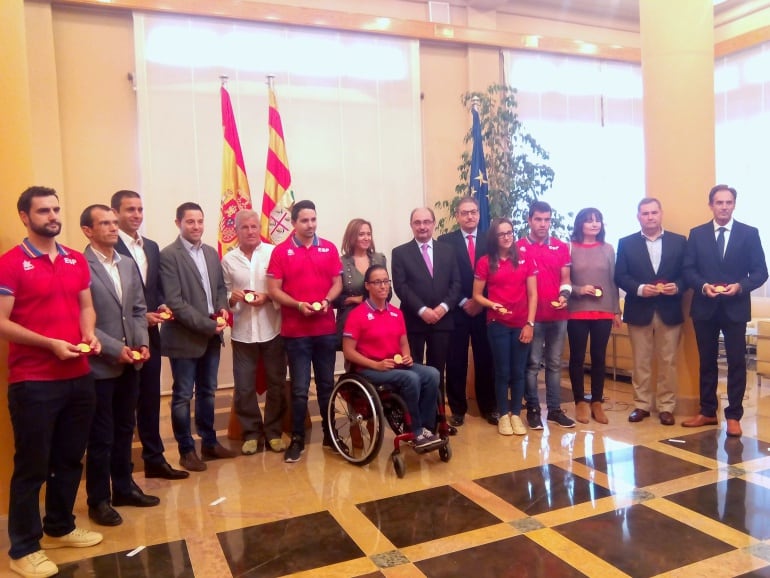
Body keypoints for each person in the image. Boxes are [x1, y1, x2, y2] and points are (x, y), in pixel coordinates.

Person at [0, 186, 102, 578]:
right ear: (25, 216)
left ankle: (59, 526)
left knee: (69, 458)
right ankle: (23, 548)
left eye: (56, 209)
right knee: (32, 466)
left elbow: (86, 306)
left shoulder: (76, 259)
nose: (52, 216)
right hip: (34, 380)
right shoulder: (10, 264)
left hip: (78, 376)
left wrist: (89, 334)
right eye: (43, 211)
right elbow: (3, 322)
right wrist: (50, 345)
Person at [81, 204, 159, 528]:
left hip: (131, 363)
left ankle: (124, 487)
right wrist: (117, 349)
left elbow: (139, 310)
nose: (114, 228)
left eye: (115, 222)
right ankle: (98, 499)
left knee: (126, 429)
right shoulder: (80, 267)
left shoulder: (127, 264)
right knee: (102, 436)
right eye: (105, 223)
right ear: (88, 230)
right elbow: (82, 320)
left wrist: (142, 343)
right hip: (101, 364)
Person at [112, 190, 188, 480]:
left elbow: (152, 289)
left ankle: (154, 459)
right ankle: (121, 472)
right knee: (123, 407)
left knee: (150, 399)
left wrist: (161, 306)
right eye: (130, 209)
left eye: (140, 209)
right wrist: (137, 317)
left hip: (151, 334)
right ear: (115, 213)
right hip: (120, 337)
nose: (136, 215)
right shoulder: (107, 245)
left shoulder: (152, 247)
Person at [682, 184, 768, 437]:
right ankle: (708, 411)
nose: (724, 207)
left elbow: (761, 272)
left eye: (728, 202)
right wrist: (703, 286)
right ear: (711, 205)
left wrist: (740, 287)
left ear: (734, 204)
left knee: (736, 362)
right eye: (719, 202)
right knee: (706, 362)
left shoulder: (749, 233)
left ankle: (734, 416)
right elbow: (688, 270)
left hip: (735, 308)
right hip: (704, 308)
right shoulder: (697, 234)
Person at [159, 202, 235, 472]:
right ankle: (186, 450)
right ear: (178, 222)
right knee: (181, 396)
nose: (196, 227)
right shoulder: (168, 255)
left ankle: (210, 443)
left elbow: (219, 289)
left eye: (200, 221)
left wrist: (223, 309)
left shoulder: (212, 253)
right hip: (184, 338)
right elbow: (175, 302)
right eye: (190, 222)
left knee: (208, 393)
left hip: (211, 337)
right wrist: (206, 324)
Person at [267, 200, 342, 463]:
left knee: (326, 385)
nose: (310, 225)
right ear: (293, 222)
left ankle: (330, 434)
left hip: (324, 330)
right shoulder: (281, 251)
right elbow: (273, 289)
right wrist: (298, 305)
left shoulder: (329, 248)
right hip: (296, 333)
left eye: (313, 220)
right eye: (304, 221)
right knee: (299, 388)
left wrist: (326, 301)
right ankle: (297, 438)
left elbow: (337, 283)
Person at [342, 264, 442, 448]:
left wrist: (407, 357)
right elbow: (348, 351)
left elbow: (403, 343)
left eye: (386, 281)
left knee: (432, 374)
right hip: (370, 369)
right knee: (410, 378)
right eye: (377, 282)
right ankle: (414, 429)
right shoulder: (357, 315)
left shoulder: (396, 313)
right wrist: (375, 365)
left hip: (396, 365)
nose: (383, 286)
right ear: (367, 286)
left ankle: (427, 428)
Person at [615, 198, 687, 426]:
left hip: (670, 309)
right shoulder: (626, 243)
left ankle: (667, 407)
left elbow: (687, 273)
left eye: (654, 212)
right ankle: (642, 405)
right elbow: (620, 276)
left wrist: (677, 287)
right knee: (641, 362)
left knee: (668, 361)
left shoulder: (679, 241)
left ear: (661, 214)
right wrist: (639, 289)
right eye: (645, 213)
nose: (650, 217)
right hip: (639, 309)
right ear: (638, 217)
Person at [221, 209, 287, 455]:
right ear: (236, 231)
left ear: (260, 228)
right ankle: (250, 433)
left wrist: (268, 297)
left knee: (277, 384)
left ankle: (273, 432)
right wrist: (232, 297)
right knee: (244, 386)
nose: (250, 231)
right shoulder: (228, 260)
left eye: (254, 227)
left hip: (273, 329)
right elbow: (223, 294)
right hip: (243, 332)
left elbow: (283, 287)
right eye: (244, 227)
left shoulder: (273, 253)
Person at [391, 207, 461, 433]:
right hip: (413, 322)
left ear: (434, 224)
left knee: (437, 372)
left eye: (427, 222)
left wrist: (442, 308)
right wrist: (422, 310)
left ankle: (436, 421)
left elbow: (456, 284)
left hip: (442, 321)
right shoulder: (400, 253)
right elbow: (401, 287)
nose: (423, 226)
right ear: (411, 225)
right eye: (418, 222)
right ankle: (413, 421)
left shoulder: (447, 251)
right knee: (412, 372)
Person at [473, 217, 537, 436]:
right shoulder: (485, 262)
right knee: (502, 371)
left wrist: (530, 323)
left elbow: (533, 294)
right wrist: (494, 305)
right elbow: (476, 296)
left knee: (519, 371)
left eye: (510, 232)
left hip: (521, 323)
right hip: (497, 323)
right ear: (494, 237)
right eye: (502, 234)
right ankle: (503, 415)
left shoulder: (525, 259)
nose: (507, 237)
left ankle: (516, 414)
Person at [437, 197, 497, 427]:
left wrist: (480, 302)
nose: (469, 216)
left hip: (484, 310)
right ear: (457, 216)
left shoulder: (489, 240)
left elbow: (496, 274)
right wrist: (464, 301)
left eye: (473, 212)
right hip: (457, 309)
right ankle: (458, 408)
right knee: (456, 360)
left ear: (479, 215)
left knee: (486, 358)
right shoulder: (445, 241)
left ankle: (488, 406)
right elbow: (445, 277)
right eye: (464, 213)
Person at [517, 201, 576, 430]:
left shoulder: (561, 247)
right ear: (530, 220)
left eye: (547, 219)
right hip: (531, 317)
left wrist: (565, 295)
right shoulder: (518, 246)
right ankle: (532, 409)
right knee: (532, 364)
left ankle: (554, 410)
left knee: (554, 364)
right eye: (538, 219)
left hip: (558, 315)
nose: (543, 224)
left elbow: (566, 279)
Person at [567, 208, 622, 425]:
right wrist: (580, 290)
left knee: (599, 357)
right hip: (577, 310)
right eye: (589, 221)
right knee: (577, 358)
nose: (594, 224)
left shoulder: (608, 249)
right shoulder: (569, 248)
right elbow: (563, 281)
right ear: (580, 224)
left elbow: (612, 282)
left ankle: (597, 402)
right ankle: (580, 401)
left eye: (598, 220)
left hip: (604, 311)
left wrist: (616, 310)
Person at [333, 218, 387, 349]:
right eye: (361, 234)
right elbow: (335, 299)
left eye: (368, 234)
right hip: (350, 320)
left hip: (377, 318)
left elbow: (387, 291)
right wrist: (348, 300)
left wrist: (360, 299)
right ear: (352, 237)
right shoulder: (340, 262)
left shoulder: (380, 258)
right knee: (354, 363)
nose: (366, 238)